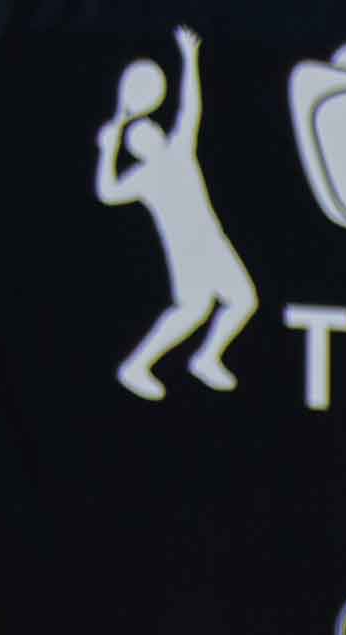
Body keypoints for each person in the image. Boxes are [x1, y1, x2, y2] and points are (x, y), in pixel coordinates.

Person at [104, 34, 258, 402]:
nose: (155, 131)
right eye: (145, 133)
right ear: (139, 148)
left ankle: (206, 356)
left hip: (213, 241)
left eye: (155, 128)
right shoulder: (145, 177)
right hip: (187, 252)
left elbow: (191, 108)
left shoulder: (180, 153)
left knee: (244, 301)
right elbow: (107, 193)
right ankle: (137, 365)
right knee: (193, 310)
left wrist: (190, 59)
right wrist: (107, 149)